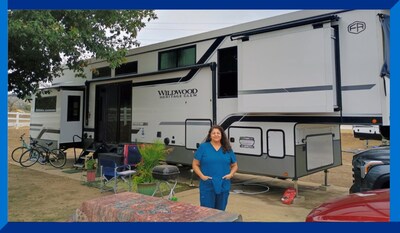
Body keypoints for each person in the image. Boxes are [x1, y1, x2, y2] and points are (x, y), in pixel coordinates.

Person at [192, 125, 238, 211]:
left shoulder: (227, 148)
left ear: (222, 135)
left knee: (220, 212)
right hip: (207, 184)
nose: (216, 135)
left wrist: (231, 174)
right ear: (210, 135)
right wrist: (202, 176)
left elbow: (235, 165)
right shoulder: (203, 147)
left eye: (218, 133)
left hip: (223, 184)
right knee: (206, 211)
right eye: (213, 133)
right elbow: (195, 164)